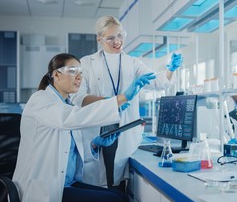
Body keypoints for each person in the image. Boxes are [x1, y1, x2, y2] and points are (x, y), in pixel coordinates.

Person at [12, 53, 146, 202]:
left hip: (65, 184)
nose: (78, 76)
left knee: (120, 198)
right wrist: (119, 99)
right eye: (72, 71)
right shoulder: (40, 100)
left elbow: (68, 150)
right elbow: (70, 119)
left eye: (80, 72)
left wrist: (94, 145)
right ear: (55, 75)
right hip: (44, 190)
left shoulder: (64, 104)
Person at [72, 15, 183, 191]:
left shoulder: (133, 62)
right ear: (99, 39)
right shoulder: (86, 63)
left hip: (124, 130)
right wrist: (110, 102)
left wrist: (170, 69)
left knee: (120, 186)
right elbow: (78, 98)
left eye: (120, 35)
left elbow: (157, 82)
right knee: (96, 184)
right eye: (110, 38)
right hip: (97, 129)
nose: (117, 42)